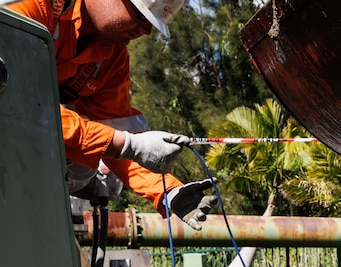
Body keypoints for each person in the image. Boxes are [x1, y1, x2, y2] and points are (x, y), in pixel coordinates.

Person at [6, 0, 217, 230]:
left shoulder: (111, 58)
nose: (145, 31)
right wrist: (125, 143)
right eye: (140, 15)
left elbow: (122, 132)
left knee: (80, 165)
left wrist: (168, 191)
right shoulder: (32, 4)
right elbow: (16, 103)